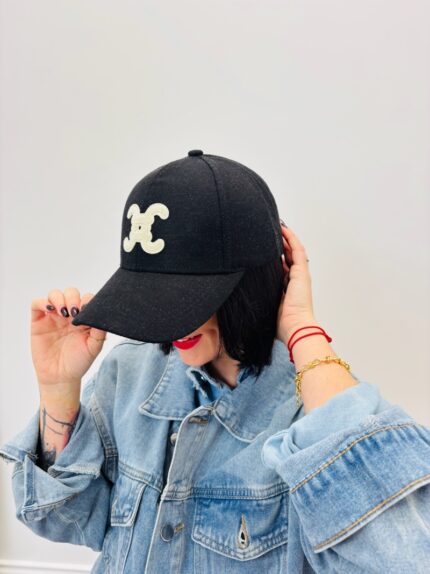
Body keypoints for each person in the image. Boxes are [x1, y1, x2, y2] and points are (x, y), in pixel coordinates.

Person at [1, 150, 429, 574]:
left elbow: (405, 560)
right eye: (152, 296)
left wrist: (302, 327)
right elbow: (59, 518)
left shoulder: (315, 416)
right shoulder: (127, 375)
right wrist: (58, 389)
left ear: (254, 284)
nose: (170, 321)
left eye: (189, 299)